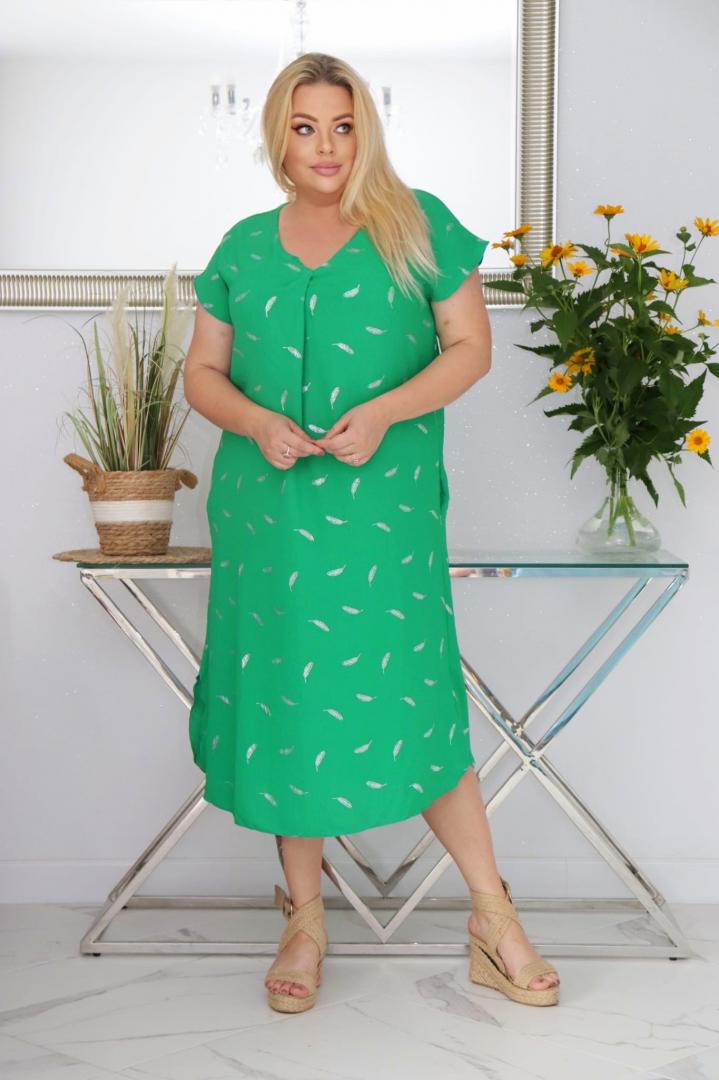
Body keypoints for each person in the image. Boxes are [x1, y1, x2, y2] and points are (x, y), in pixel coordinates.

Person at [183, 51, 560, 1014]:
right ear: (277, 135)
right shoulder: (241, 247)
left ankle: (492, 918)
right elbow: (202, 376)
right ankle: (305, 921)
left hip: (382, 517)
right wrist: (254, 421)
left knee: (416, 701)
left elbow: (470, 348)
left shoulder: (415, 224)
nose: (325, 146)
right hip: (269, 514)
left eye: (342, 125)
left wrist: (387, 411)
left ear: (366, 132)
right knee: (288, 707)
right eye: (305, 126)